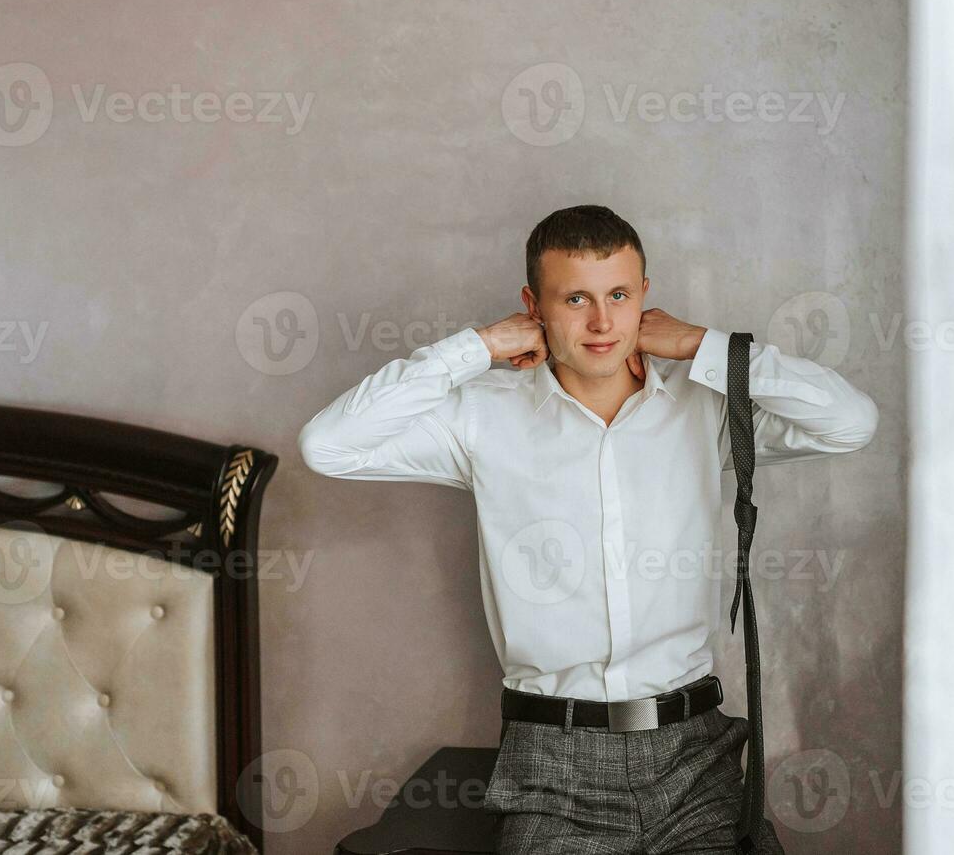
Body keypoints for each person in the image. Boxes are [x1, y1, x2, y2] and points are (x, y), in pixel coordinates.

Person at [297, 204, 879, 854]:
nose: (603, 322)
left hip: (693, 759)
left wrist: (704, 346)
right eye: (576, 298)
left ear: (643, 299)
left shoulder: (702, 404)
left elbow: (849, 422)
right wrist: (479, 347)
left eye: (619, 295)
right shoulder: (482, 416)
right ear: (533, 305)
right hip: (552, 768)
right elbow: (330, 446)